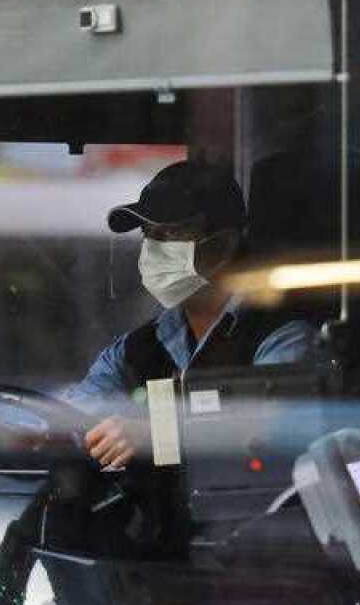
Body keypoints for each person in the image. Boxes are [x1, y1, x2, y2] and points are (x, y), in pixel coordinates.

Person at [67, 158, 317, 468]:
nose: (154, 250)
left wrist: (155, 433)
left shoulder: (281, 338)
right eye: (149, 234)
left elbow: (269, 427)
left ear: (224, 244)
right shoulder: (137, 348)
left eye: (171, 235)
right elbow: (75, 415)